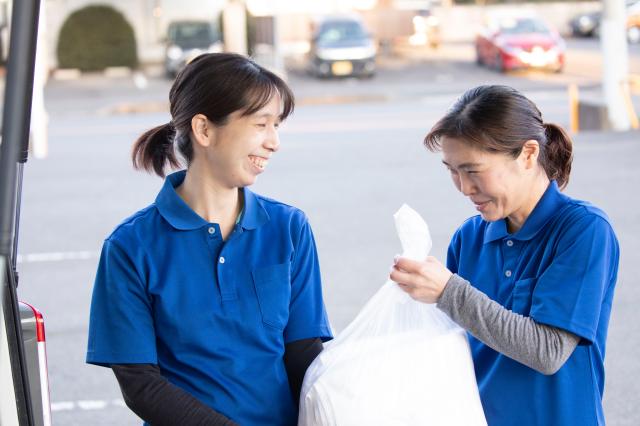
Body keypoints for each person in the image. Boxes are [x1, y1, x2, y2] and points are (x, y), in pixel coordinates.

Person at [86, 53, 333, 426]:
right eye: (260, 124)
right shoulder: (130, 247)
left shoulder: (289, 228)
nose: (274, 142)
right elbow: (140, 385)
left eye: (277, 125)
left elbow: (302, 353)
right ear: (204, 130)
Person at [390, 85, 619, 426]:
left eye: (473, 170)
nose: (464, 188)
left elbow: (548, 350)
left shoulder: (582, 230)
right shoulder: (469, 238)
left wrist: (449, 292)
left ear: (528, 154)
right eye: (452, 170)